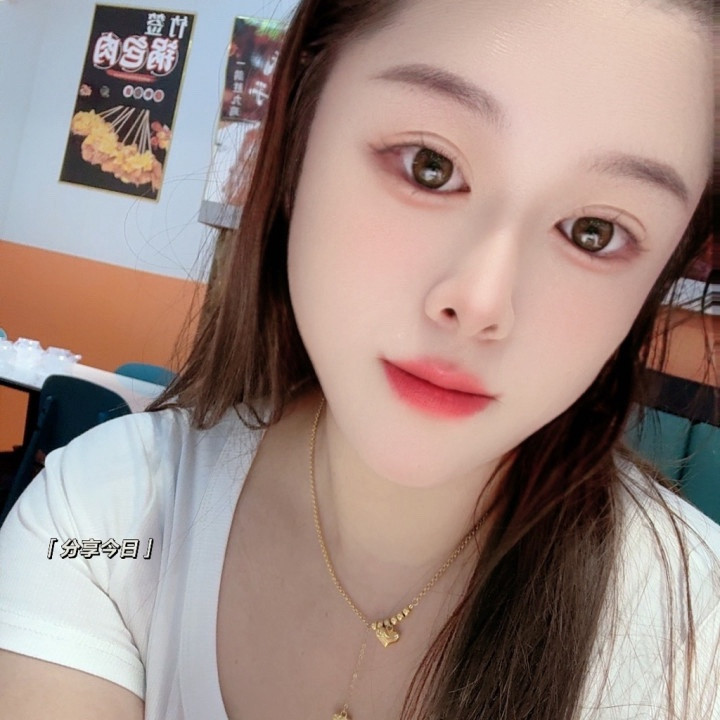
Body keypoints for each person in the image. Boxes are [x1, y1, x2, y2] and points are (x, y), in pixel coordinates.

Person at [0, 0, 717, 717]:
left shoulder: (697, 634)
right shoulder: (103, 525)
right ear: (297, 135)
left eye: (594, 232)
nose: (479, 302)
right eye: (430, 167)